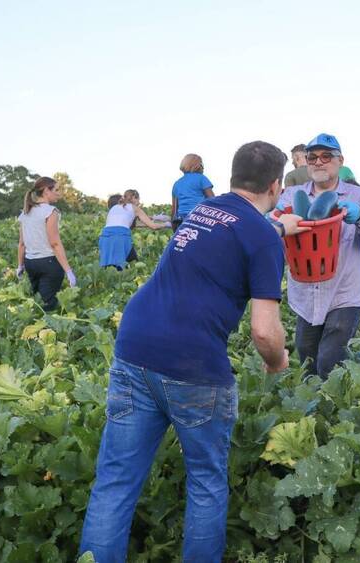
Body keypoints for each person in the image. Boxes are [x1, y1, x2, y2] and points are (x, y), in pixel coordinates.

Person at [79, 141, 308, 563]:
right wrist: (277, 362)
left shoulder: (203, 211)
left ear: (231, 177)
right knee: (205, 482)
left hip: (134, 346)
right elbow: (263, 331)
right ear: (277, 186)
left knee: (115, 481)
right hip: (193, 364)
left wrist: (278, 227)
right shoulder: (262, 239)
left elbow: (239, 231)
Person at [277, 133, 360, 378]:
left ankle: (336, 407)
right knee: (307, 356)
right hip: (305, 293)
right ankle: (314, 407)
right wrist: (272, 222)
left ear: (340, 161)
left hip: (344, 291)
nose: (319, 162)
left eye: (326, 156)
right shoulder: (290, 197)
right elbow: (273, 225)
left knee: (330, 357)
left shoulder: (359, 197)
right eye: (312, 157)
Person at [16, 177, 76, 311]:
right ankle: (48, 330)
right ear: (46, 191)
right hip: (48, 263)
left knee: (37, 302)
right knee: (49, 306)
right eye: (56, 190)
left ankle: (36, 330)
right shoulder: (50, 211)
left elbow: (22, 244)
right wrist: (68, 271)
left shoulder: (26, 212)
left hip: (30, 263)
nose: (59, 193)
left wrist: (20, 266)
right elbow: (54, 243)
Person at [99, 189, 168, 270]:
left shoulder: (115, 207)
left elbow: (130, 224)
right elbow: (153, 226)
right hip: (121, 238)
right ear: (134, 198)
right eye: (138, 199)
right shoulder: (135, 208)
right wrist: (167, 224)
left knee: (109, 269)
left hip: (105, 238)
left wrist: (155, 218)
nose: (139, 202)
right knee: (132, 267)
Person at [171, 153, 214, 230]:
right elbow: (212, 200)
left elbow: (174, 209)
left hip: (182, 219)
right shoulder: (202, 178)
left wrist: (174, 227)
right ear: (198, 165)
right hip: (199, 217)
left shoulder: (177, 183)